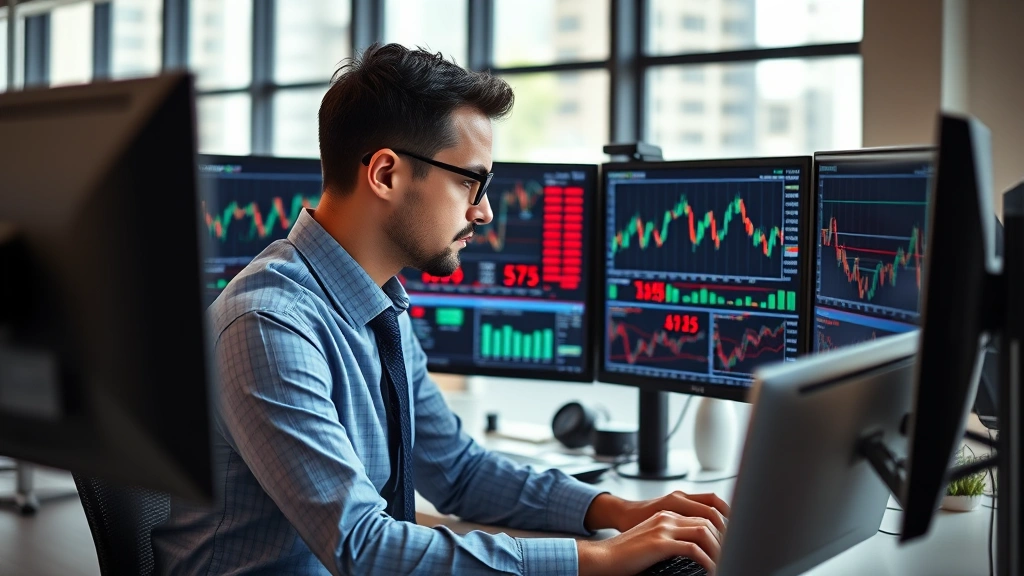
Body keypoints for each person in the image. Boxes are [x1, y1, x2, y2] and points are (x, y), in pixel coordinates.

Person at [152, 43, 729, 576]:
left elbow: (458, 470)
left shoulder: (380, 308)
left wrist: (619, 511)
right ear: (385, 174)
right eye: (472, 183)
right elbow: (362, 546)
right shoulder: (268, 324)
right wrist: (597, 560)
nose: (484, 213)